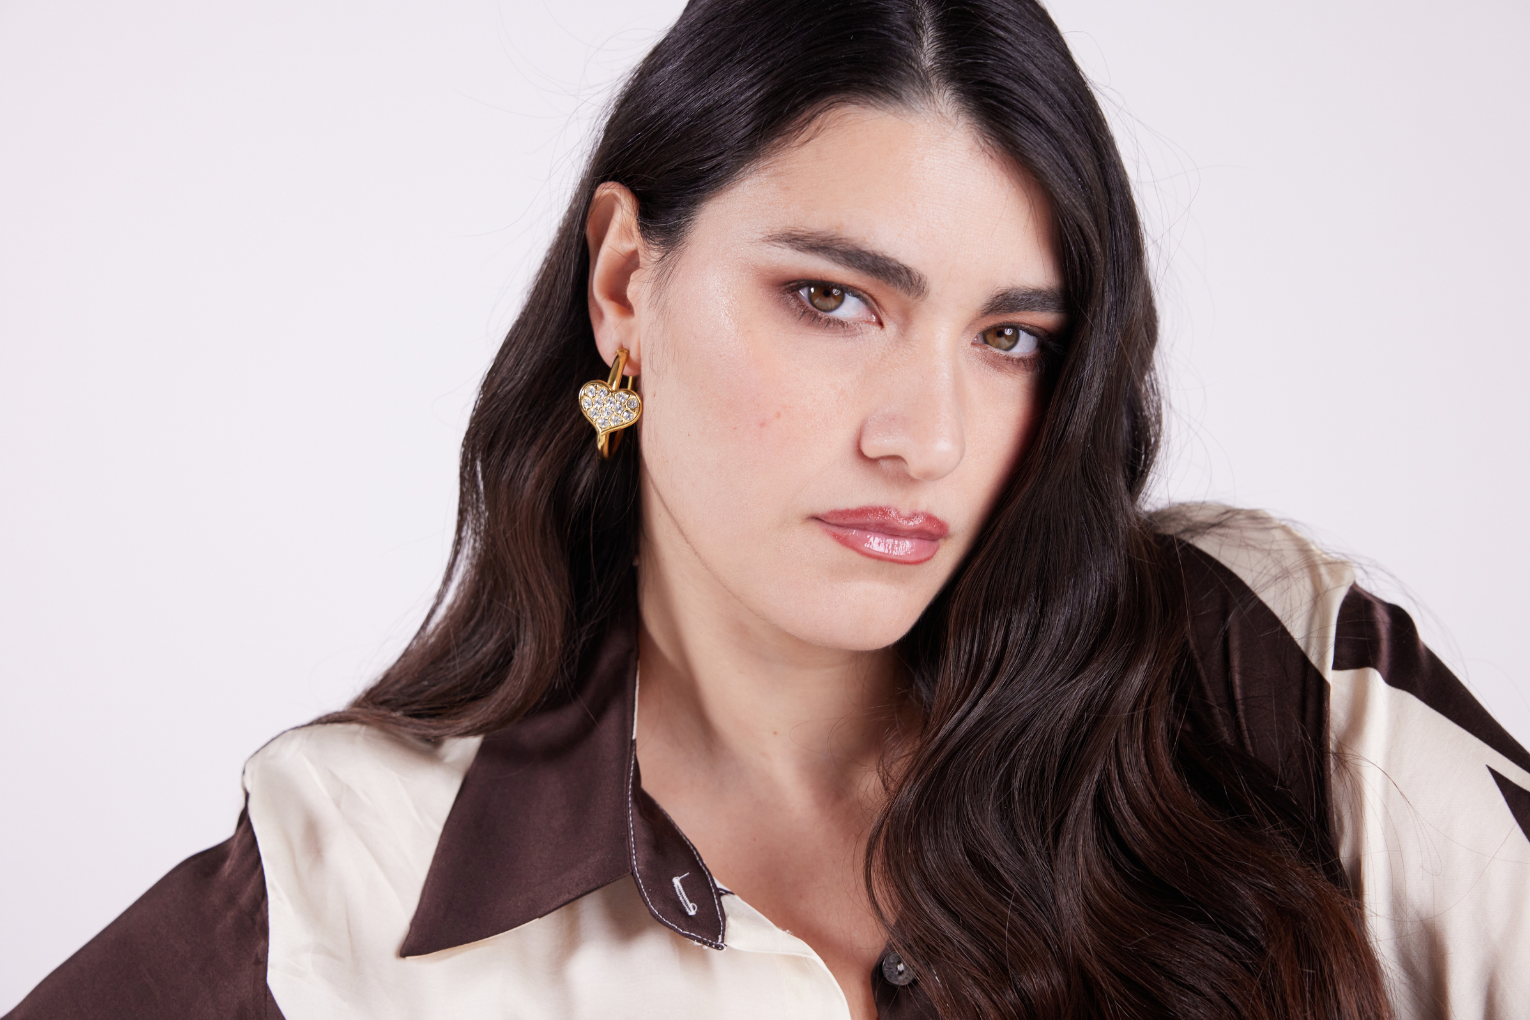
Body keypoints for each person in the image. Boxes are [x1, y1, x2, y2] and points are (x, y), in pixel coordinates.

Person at [8, 1, 1528, 1018]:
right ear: (626, 283)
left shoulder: (1272, 680)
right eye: (832, 299)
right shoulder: (355, 873)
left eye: (1010, 337)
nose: (926, 437)